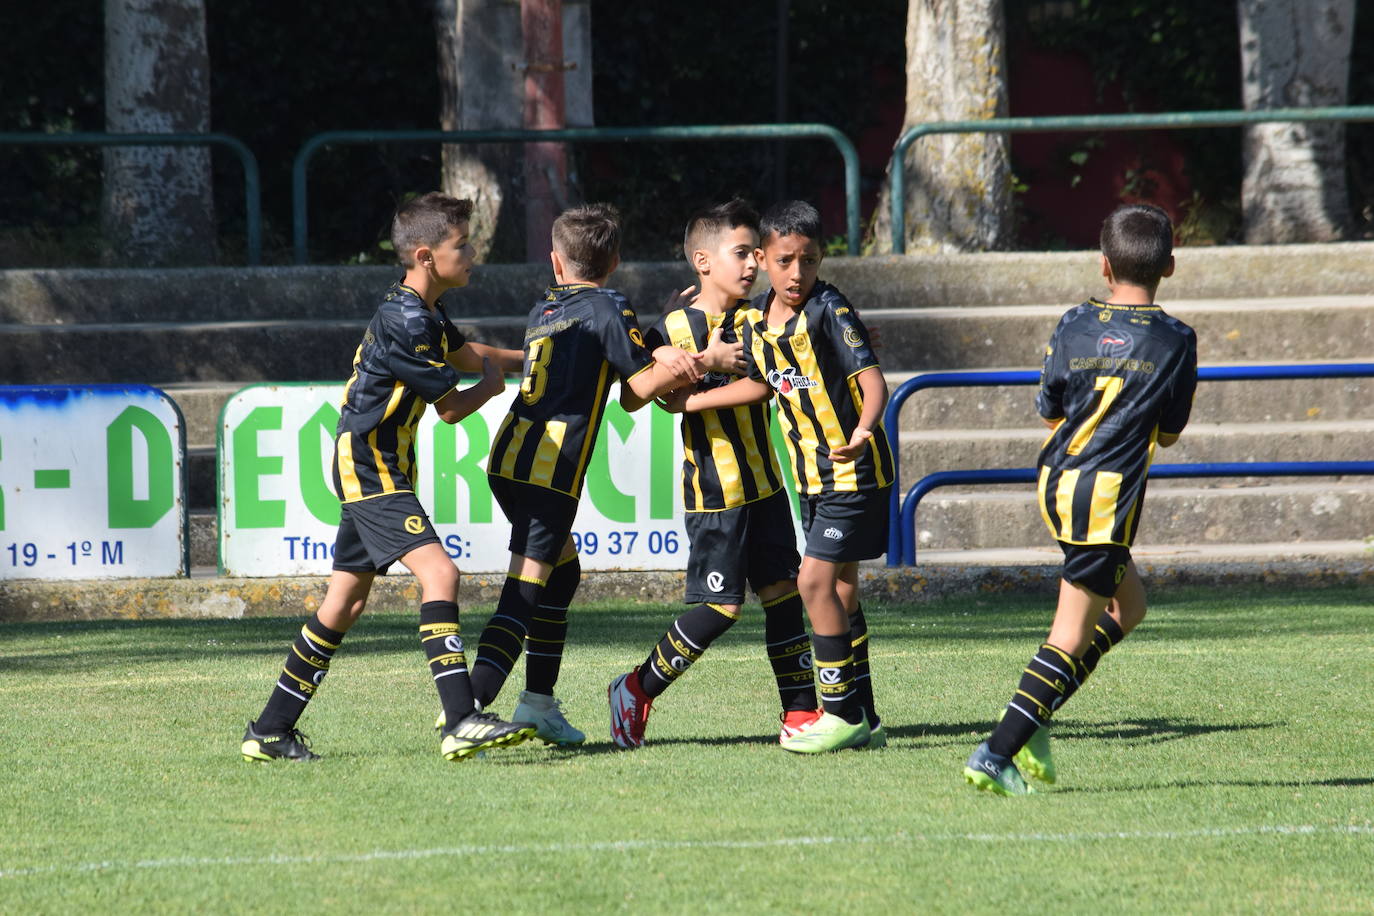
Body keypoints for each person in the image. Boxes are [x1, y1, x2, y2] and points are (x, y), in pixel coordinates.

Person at [239, 192, 537, 763]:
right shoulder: (406, 319)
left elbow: (468, 352)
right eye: (462, 245)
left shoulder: (419, 311)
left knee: (344, 605)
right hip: (370, 467)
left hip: (376, 464)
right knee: (441, 574)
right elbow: (452, 405)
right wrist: (492, 389)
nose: (473, 252)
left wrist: (535, 355)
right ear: (426, 256)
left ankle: (270, 729)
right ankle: (461, 719)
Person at [963, 203, 1198, 795]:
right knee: (1068, 634)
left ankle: (1033, 717)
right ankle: (996, 751)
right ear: (1170, 265)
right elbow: (1167, 434)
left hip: (1057, 480)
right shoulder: (1176, 340)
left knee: (1130, 608)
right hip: (1104, 499)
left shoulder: (1073, 321)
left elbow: (1049, 411)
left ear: (1103, 265)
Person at [462, 202, 711, 745]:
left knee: (563, 574)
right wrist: (696, 361)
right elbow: (635, 393)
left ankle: (537, 703)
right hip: (549, 473)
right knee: (523, 592)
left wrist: (649, 335)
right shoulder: (608, 306)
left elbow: (605, 352)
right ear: (616, 260)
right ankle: (467, 708)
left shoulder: (546, 307)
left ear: (556, 263)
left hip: (509, 461)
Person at [658, 200, 894, 754]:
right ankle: (865, 715)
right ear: (765, 259)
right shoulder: (759, 321)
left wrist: (863, 428)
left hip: (851, 474)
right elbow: (763, 384)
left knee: (811, 584)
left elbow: (874, 380)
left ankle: (836, 714)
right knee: (840, 591)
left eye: (808, 262)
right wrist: (689, 404)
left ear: (820, 260)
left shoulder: (829, 309)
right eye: (785, 261)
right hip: (811, 480)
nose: (796, 274)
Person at [605, 199, 820, 750]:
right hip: (715, 489)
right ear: (703, 260)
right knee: (721, 607)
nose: (753, 264)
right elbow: (633, 396)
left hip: (766, 484)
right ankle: (635, 687)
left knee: (783, 595)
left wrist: (687, 400)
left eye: (755, 253)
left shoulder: (761, 317)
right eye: (741, 253)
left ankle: (799, 714)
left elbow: (767, 384)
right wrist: (703, 361)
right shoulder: (674, 326)